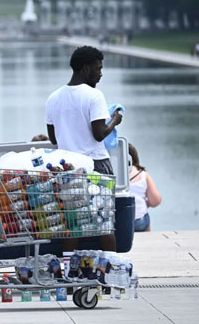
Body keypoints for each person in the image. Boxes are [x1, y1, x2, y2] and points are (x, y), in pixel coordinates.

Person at [45, 45, 122, 252]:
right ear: (86, 68)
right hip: (96, 165)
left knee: (72, 226)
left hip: (68, 169)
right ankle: (109, 274)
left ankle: (71, 274)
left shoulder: (53, 98)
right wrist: (114, 120)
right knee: (105, 224)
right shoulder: (94, 96)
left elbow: (54, 138)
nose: (101, 73)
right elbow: (99, 133)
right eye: (98, 68)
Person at [128, 143, 162, 232]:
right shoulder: (142, 174)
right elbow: (156, 201)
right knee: (144, 217)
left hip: (117, 223)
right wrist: (145, 203)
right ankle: (148, 240)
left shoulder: (110, 173)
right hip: (139, 221)